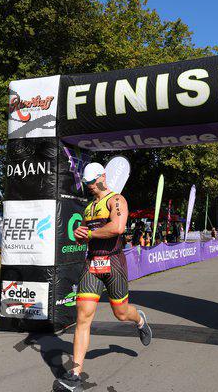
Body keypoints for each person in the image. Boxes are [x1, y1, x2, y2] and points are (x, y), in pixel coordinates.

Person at [54, 163, 152, 392]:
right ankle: (75, 375)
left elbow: (117, 228)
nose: (89, 186)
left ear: (102, 177)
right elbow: (83, 236)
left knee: (121, 313)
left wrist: (89, 232)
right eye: (87, 182)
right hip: (92, 263)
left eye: (92, 181)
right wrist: (79, 234)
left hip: (114, 262)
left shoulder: (116, 200)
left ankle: (139, 320)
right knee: (83, 316)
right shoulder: (89, 208)